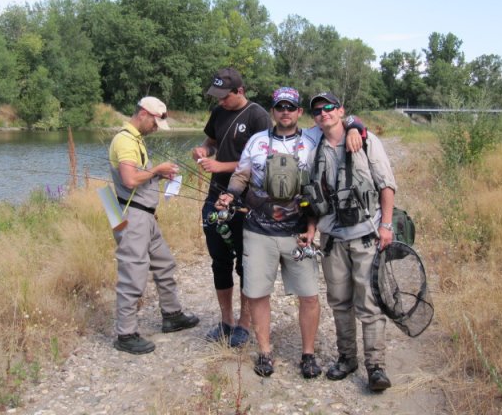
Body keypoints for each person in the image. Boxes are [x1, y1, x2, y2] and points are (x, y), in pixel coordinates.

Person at [216, 87, 364, 379]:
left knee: (309, 295)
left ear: (299, 113)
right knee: (258, 294)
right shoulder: (257, 141)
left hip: (300, 233)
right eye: (279, 107)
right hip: (258, 230)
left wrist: (355, 129)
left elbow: (342, 119)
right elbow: (242, 174)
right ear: (273, 111)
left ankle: (308, 355)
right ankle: (265, 353)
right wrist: (230, 195)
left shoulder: (313, 137)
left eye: (291, 107)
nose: (285, 112)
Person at [302, 92, 396, 391]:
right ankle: (347, 358)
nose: (324, 113)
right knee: (340, 302)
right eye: (317, 110)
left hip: (366, 234)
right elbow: (313, 195)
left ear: (340, 110)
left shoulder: (365, 140)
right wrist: (311, 229)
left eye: (329, 107)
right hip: (331, 239)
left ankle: (376, 367)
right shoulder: (312, 145)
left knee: (369, 302)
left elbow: (386, 184)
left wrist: (386, 225)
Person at [109, 96, 199, 355]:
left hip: (143, 215)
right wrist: (157, 169)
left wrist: (157, 175)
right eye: (156, 123)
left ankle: (172, 315)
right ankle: (125, 334)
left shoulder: (135, 139)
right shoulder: (126, 141)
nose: (156, 128)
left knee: (164, 262)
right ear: (144, 114)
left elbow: (139, 178)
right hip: (132, 217)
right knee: (133, 273)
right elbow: (129, 179)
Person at [192, 68, 271, 347]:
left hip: (247, 202)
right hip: (215, 196)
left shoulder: (258, 115)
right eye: (217, 97)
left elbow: (262, 160)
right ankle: (225, 321)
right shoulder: (218, 112)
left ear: (239, 91)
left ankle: (244, 324)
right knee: (220, 261)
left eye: (224, 97)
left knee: (246, 264)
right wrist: (203, 152)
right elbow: (211, 141)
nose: (220, 102)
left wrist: (222, 166)